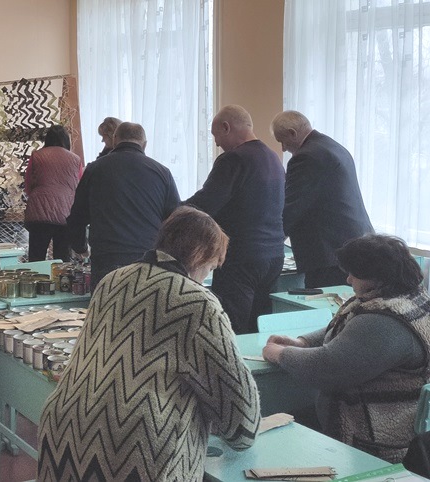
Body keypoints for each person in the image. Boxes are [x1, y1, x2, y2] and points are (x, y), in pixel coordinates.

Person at [38, 206, 261, 481]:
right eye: (210, 268)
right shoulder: (196, 302)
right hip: (134, 448)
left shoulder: (113, 280)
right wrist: (237, 432)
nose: (206, 277)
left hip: (65, 429)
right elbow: (240, 416)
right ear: (200, 255)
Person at [263, 234, 430, 463]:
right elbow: (347, 327)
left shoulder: (385, 324)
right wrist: (303, 342)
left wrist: (280, 354)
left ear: (377, 277)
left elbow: (327, 368)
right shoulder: (405, 298)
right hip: (384, 417)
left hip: (375, 437)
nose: (349, 279)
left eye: (354, 274)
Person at [186, 105, 285, 334]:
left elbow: (206, 203)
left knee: (231, 327)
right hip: (274, 255)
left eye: (216, 136)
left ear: (226, 127)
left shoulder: (233, 159)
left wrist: (171, 209)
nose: (217, 143)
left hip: (242, 257)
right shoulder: (273, 158)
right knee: (258, 327)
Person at [66, 122, 180, 288]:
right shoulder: (162, 173)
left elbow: (77, 216)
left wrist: (81, 248)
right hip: (148, 257)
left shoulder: (95, 169)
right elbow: (175, 219)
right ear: (144, 144)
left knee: (106, 304)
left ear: (115, 140)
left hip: (107, 256)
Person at [271, 110, 374, 288]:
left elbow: (292, 207)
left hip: (328, 253)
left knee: (323, 303)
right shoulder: (333, 146)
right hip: (352, 244)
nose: (283, 149)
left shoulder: (306, 157)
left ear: (292, 133)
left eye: (282, 141)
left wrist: (268, 241)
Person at [23, 125, 83, 262]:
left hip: (39, 213)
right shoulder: (75, 159)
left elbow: (28, 184)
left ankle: (37, 276)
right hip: (66, 214)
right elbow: (79, 186)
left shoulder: (37, 155)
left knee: (36, 259)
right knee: (62, 260)